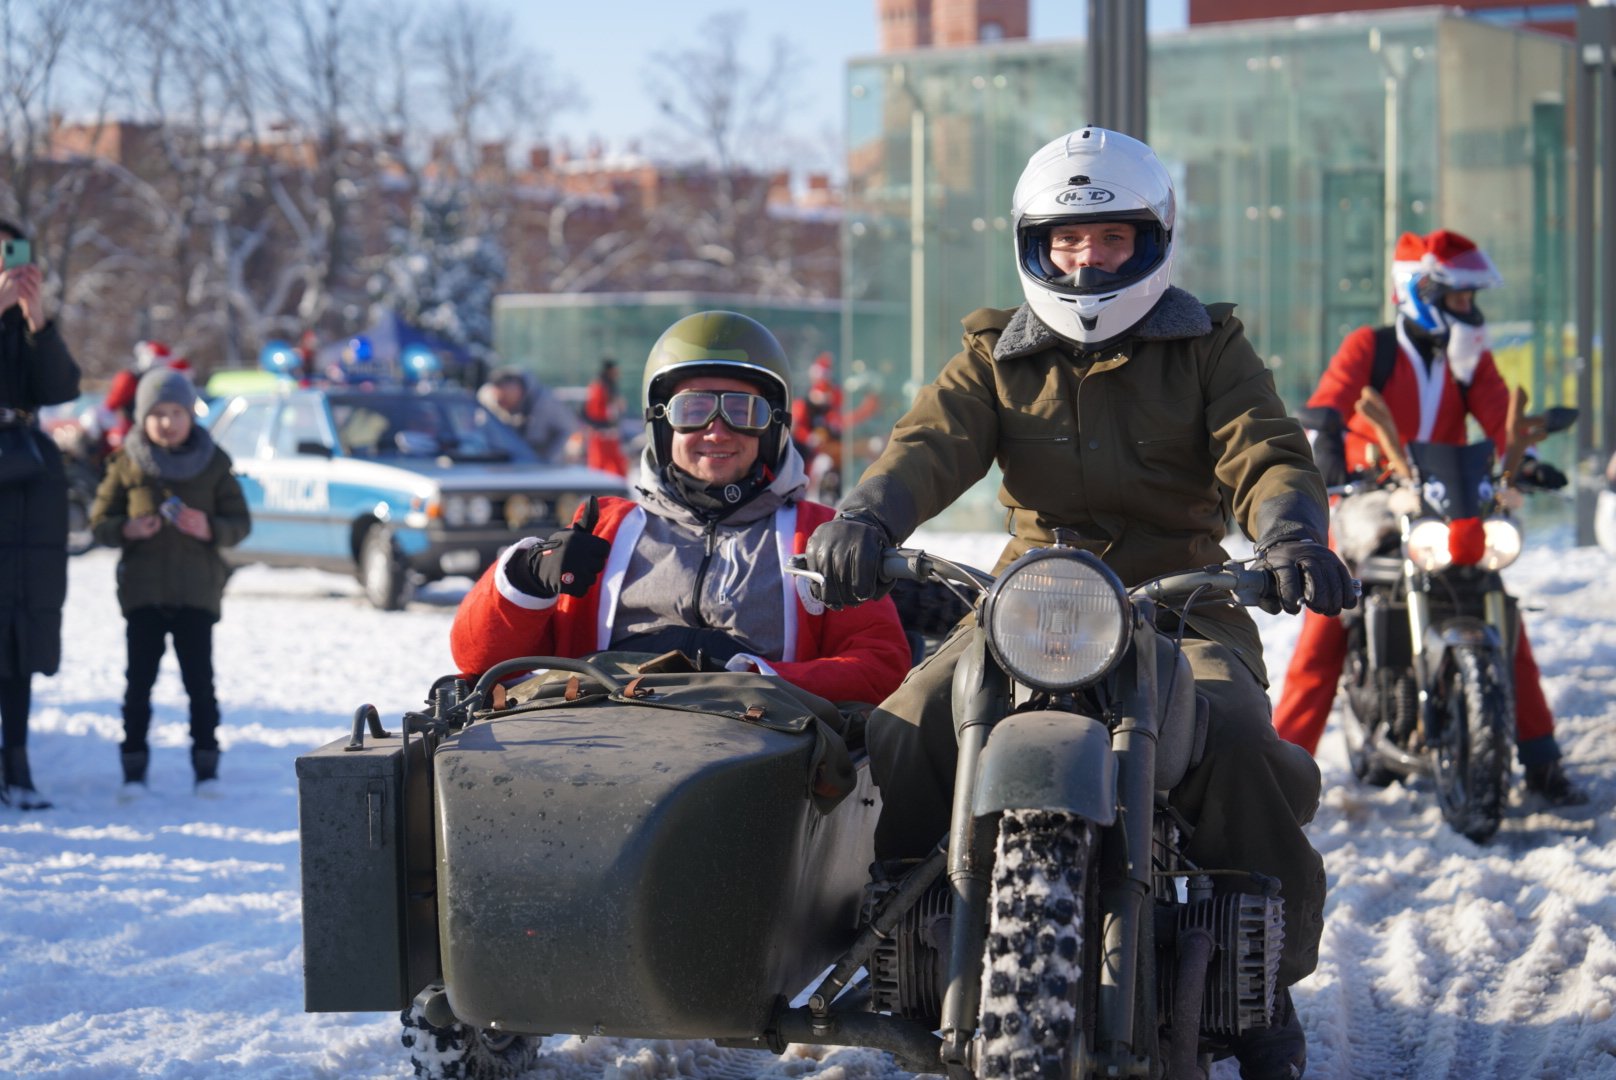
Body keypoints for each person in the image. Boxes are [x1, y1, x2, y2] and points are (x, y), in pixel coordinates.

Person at [803, 126, 1356, 1080]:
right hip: (1027, 604)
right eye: (1065, 239)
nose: (1085, 259)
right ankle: (907, 938)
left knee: (1235, 738)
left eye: (1109, 237)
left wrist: (1292, 532)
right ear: (1034, 244)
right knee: (904, 727)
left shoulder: (1208, 345)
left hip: (1180, 600)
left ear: (1152, 240)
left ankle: (1265, 984)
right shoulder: (995, 352)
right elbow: (928, 443)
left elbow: (1264, 448)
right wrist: (867, 515)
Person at [451, 311, 911, 709]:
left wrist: (759, 681)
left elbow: (880, 665)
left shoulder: (818, 536)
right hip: (605, 739)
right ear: (661, 424)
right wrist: (527, 578)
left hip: (757, 749)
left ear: (772, 426)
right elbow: (479, 660)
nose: (717, 431)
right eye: (693, 410)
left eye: (742, 411)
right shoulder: (605, 531)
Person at [1274, 228, 1584, 805]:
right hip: (1371, 504)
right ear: (1420, 292)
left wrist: (1527, 463)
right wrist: (1328, 443)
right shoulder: (1371, 347)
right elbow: (1329, 402)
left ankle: (1542, 760)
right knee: (1327, 622)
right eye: (1457, 297)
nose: (1468, 308)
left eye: (1470, 297)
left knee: (1497, 604)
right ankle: (1279, 775)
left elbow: (1499, 415)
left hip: (1447, 504)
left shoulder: (1468, 361)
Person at [89, 368, 252, 796]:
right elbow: (99, 522)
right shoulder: (126, 462)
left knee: (200, 685)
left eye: (176, 412)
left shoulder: (213, 462)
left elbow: (240, 523)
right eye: (157, 413)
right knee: (138, 685)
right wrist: (126, 529)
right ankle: (133, 770)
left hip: (197, 593)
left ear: (190, 415)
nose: (167, 422)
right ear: (142, 417)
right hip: (143, 593)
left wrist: (210, 527)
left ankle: (206, 769)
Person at [0, 220, 82, 810]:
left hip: (28, 490)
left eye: (12, 255)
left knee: (20, 635)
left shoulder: (24, 325)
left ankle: (19, 767)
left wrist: (37, 320)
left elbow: (59, 387)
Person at [477, 364, 578, 463]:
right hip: (504, 462)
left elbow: (568, 429)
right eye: (499, 399)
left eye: (505, 398)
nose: (502, 404)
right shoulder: (488, 402)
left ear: (517, 389)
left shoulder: (545, 403)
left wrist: (548, 461)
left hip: (539, 462)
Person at [582, 356, 628, 476]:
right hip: (601, 433)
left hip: (608, 432)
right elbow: (593, 411)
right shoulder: (600, 387)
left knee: (614, 465)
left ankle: (616, 484)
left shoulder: (607, 386)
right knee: (599, 465)